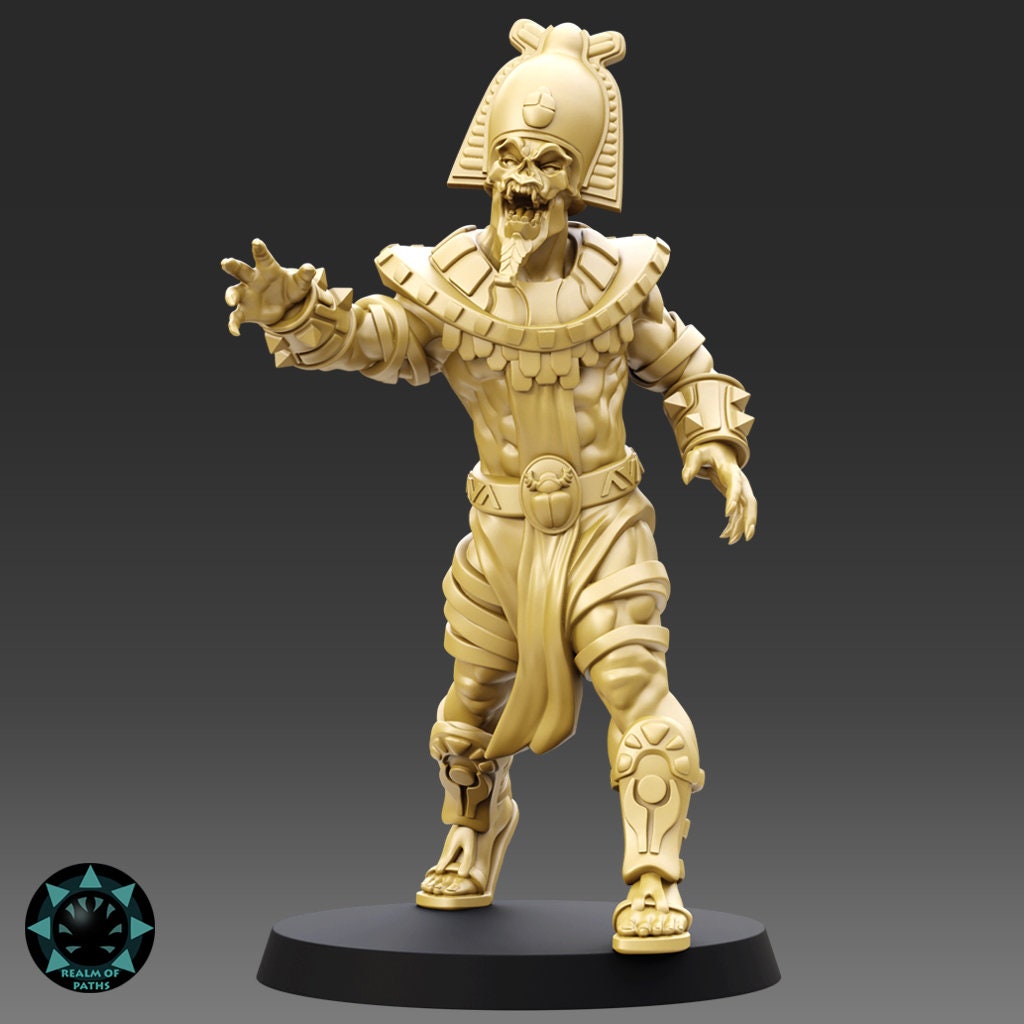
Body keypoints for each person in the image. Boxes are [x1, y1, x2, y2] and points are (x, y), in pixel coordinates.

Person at [222, 19, 757, 954]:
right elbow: (377, 341)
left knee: (635, 686)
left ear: (577, 179)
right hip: (500, 534)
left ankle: (653, 875)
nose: (523, 180)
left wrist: (715, 441)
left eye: (548, 163)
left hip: (603, 524)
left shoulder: (620, 279)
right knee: (467, 708)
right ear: (485, 164)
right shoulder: (448, 280)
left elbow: (684, 364)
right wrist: (300, 315)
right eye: (510, 158)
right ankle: (474, 832)